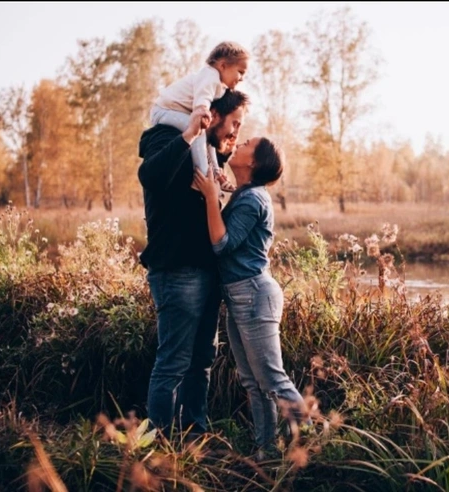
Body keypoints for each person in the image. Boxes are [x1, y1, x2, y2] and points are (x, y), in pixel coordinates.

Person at [137, 89, 249, 440]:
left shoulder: (210, 154)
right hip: (177, 268)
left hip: (205, 270)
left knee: (201, 360)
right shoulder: (166, 137)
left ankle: (194, 436)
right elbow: (150, 177)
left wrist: (224, 155)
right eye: (234, 124)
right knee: (173, 361)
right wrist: (188, 134)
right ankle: (160, 444)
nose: (235, 133)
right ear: (213, 116)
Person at [192, 137, 308, 460]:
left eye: (247, 143)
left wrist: (211, 196)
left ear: (253, 163)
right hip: (241, 296)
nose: (239, 142)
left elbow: (221, 244)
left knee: (272, 380)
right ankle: (266, 452)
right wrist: (224, 191)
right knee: (254, 383)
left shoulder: (252, 199)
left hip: (254, 296)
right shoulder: (247, 195)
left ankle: (317, 441)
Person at [149, 41, 250, 192]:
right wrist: (202, 110)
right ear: (223, 66)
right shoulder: (210, 76)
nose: (241, 78)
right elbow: (203, 97)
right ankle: (203, 178)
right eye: (240, 72)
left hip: (176, 112)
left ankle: (216, 174)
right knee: (199, 134)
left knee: (207, 135)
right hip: (163, 111)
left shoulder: (220, 86)